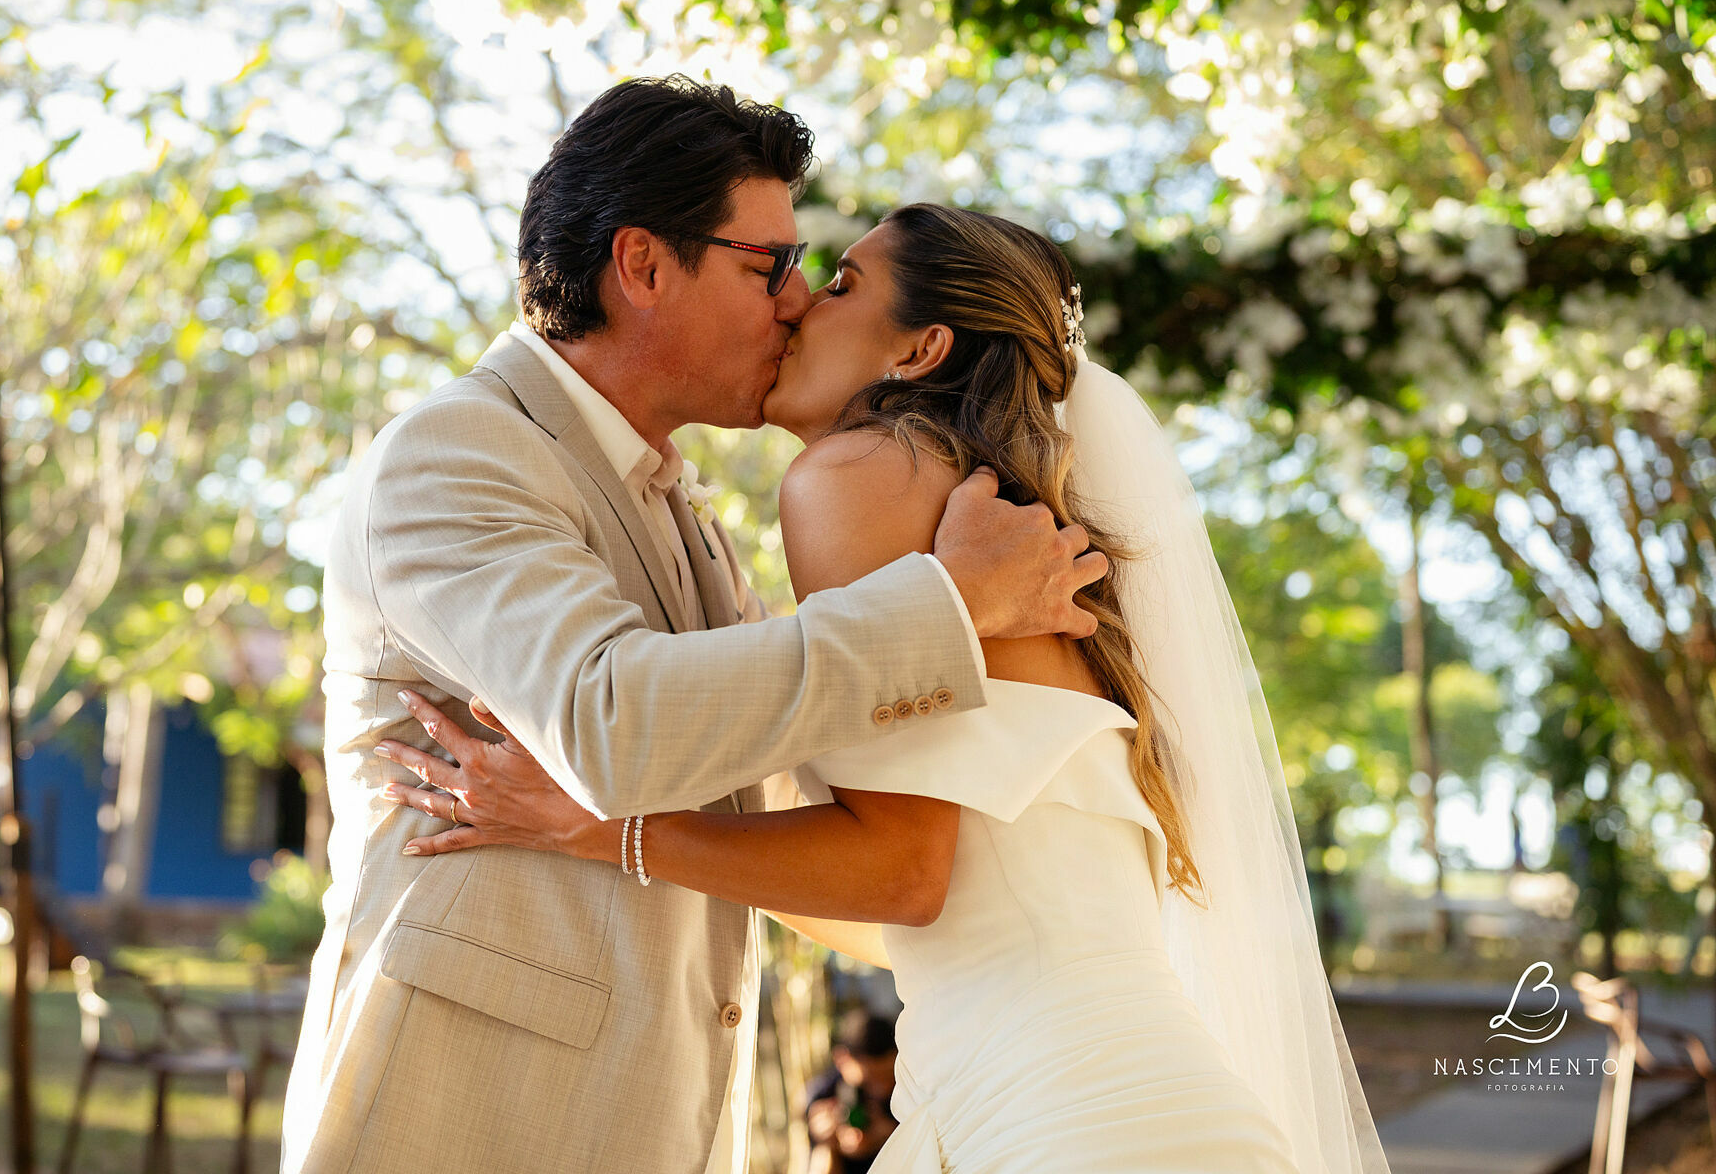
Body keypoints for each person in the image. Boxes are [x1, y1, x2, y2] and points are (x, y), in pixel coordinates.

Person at [381, 204, 1393, 1172]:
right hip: (1148, 1100)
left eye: (839, 282)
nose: (796, 303)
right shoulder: (1005, 518)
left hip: (1048, 1121)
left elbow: (903, 873)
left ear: (916, 351)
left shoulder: (856, 476)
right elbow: (922, 905)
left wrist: (600, 826)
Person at [279, 81, 1109, 1174]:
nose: (798, 297)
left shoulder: (686, 516)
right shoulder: (457, 452)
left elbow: (797, 809)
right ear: (645, 265)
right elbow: (611, 724)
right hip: (467, 1114)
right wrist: (952, 606)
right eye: (768, 263)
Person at [805, 1010, 899, 1174]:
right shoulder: (824, 1095)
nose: (882, 1089)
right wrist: (827, 1141)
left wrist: (890, 1135)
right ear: (842, 1060)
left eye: (889, 1076)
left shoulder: (912, 1086)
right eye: (872, 1079)